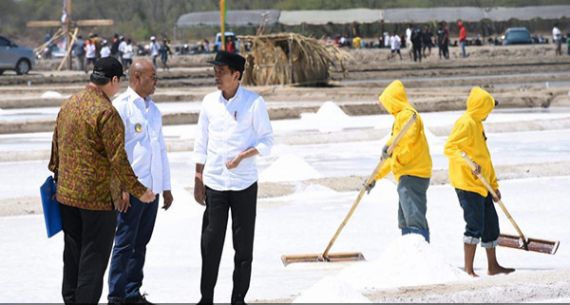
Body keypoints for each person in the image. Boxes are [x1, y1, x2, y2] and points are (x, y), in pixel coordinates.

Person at [48, 57, 156, 304]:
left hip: (66, 197)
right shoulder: (107, 112)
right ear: (114, 80)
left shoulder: (69, 104)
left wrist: (57, 178)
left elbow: (56, 148)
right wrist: (139, 191)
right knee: (93, 262)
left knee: (72, 256)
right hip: (95, 202)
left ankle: (70, 300)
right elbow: (118, 161)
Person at [193, 51, 273, 304]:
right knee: (210, 243)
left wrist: (243, 156)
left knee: (243, 245)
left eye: (221, 71)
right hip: (215, 183)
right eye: (215, 71)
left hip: (244, 184)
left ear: (236, 75)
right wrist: (198, 176)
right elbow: (201, 141)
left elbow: (267, 141)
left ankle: (238, 298)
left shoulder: (254, 103)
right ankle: (206, 298)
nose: (216, 76)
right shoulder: (208, 103)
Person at [107, 59, 173, 305]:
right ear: (136, 78)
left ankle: (132, 292)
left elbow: (161, 151)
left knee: (140, 244)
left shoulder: (153, 110)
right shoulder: (121, 107)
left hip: (152, 190)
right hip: (131, 191)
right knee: (124, 243)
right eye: (152, 77)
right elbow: (115, 154)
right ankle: (116, 295)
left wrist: (165, 187)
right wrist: (121, 188)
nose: (156, 82)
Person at [444, 86, 515, 277]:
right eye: (488, 109)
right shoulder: (465, 123)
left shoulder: (478, 124)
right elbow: (450, 148)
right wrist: (469, 164)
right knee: (474, 224)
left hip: (483, 185)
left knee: (491, 224)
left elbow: (485, 159)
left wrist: (493, 186)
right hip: (467, 184)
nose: (489, 114)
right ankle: (469, 269)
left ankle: (493, 266)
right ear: (480, 107)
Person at [365, 80, 432, 242]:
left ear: (393, 100)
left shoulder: (408, 115)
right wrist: (375, 177)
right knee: (405, 218)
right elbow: (393, 156)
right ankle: (408, 252)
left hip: (414, 173)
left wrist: (389, 145)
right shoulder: (400, 118)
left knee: (414, 216)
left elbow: (406, 136)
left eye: (386, 102)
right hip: (407, 174)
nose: (385, 107)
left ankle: (422, 253)